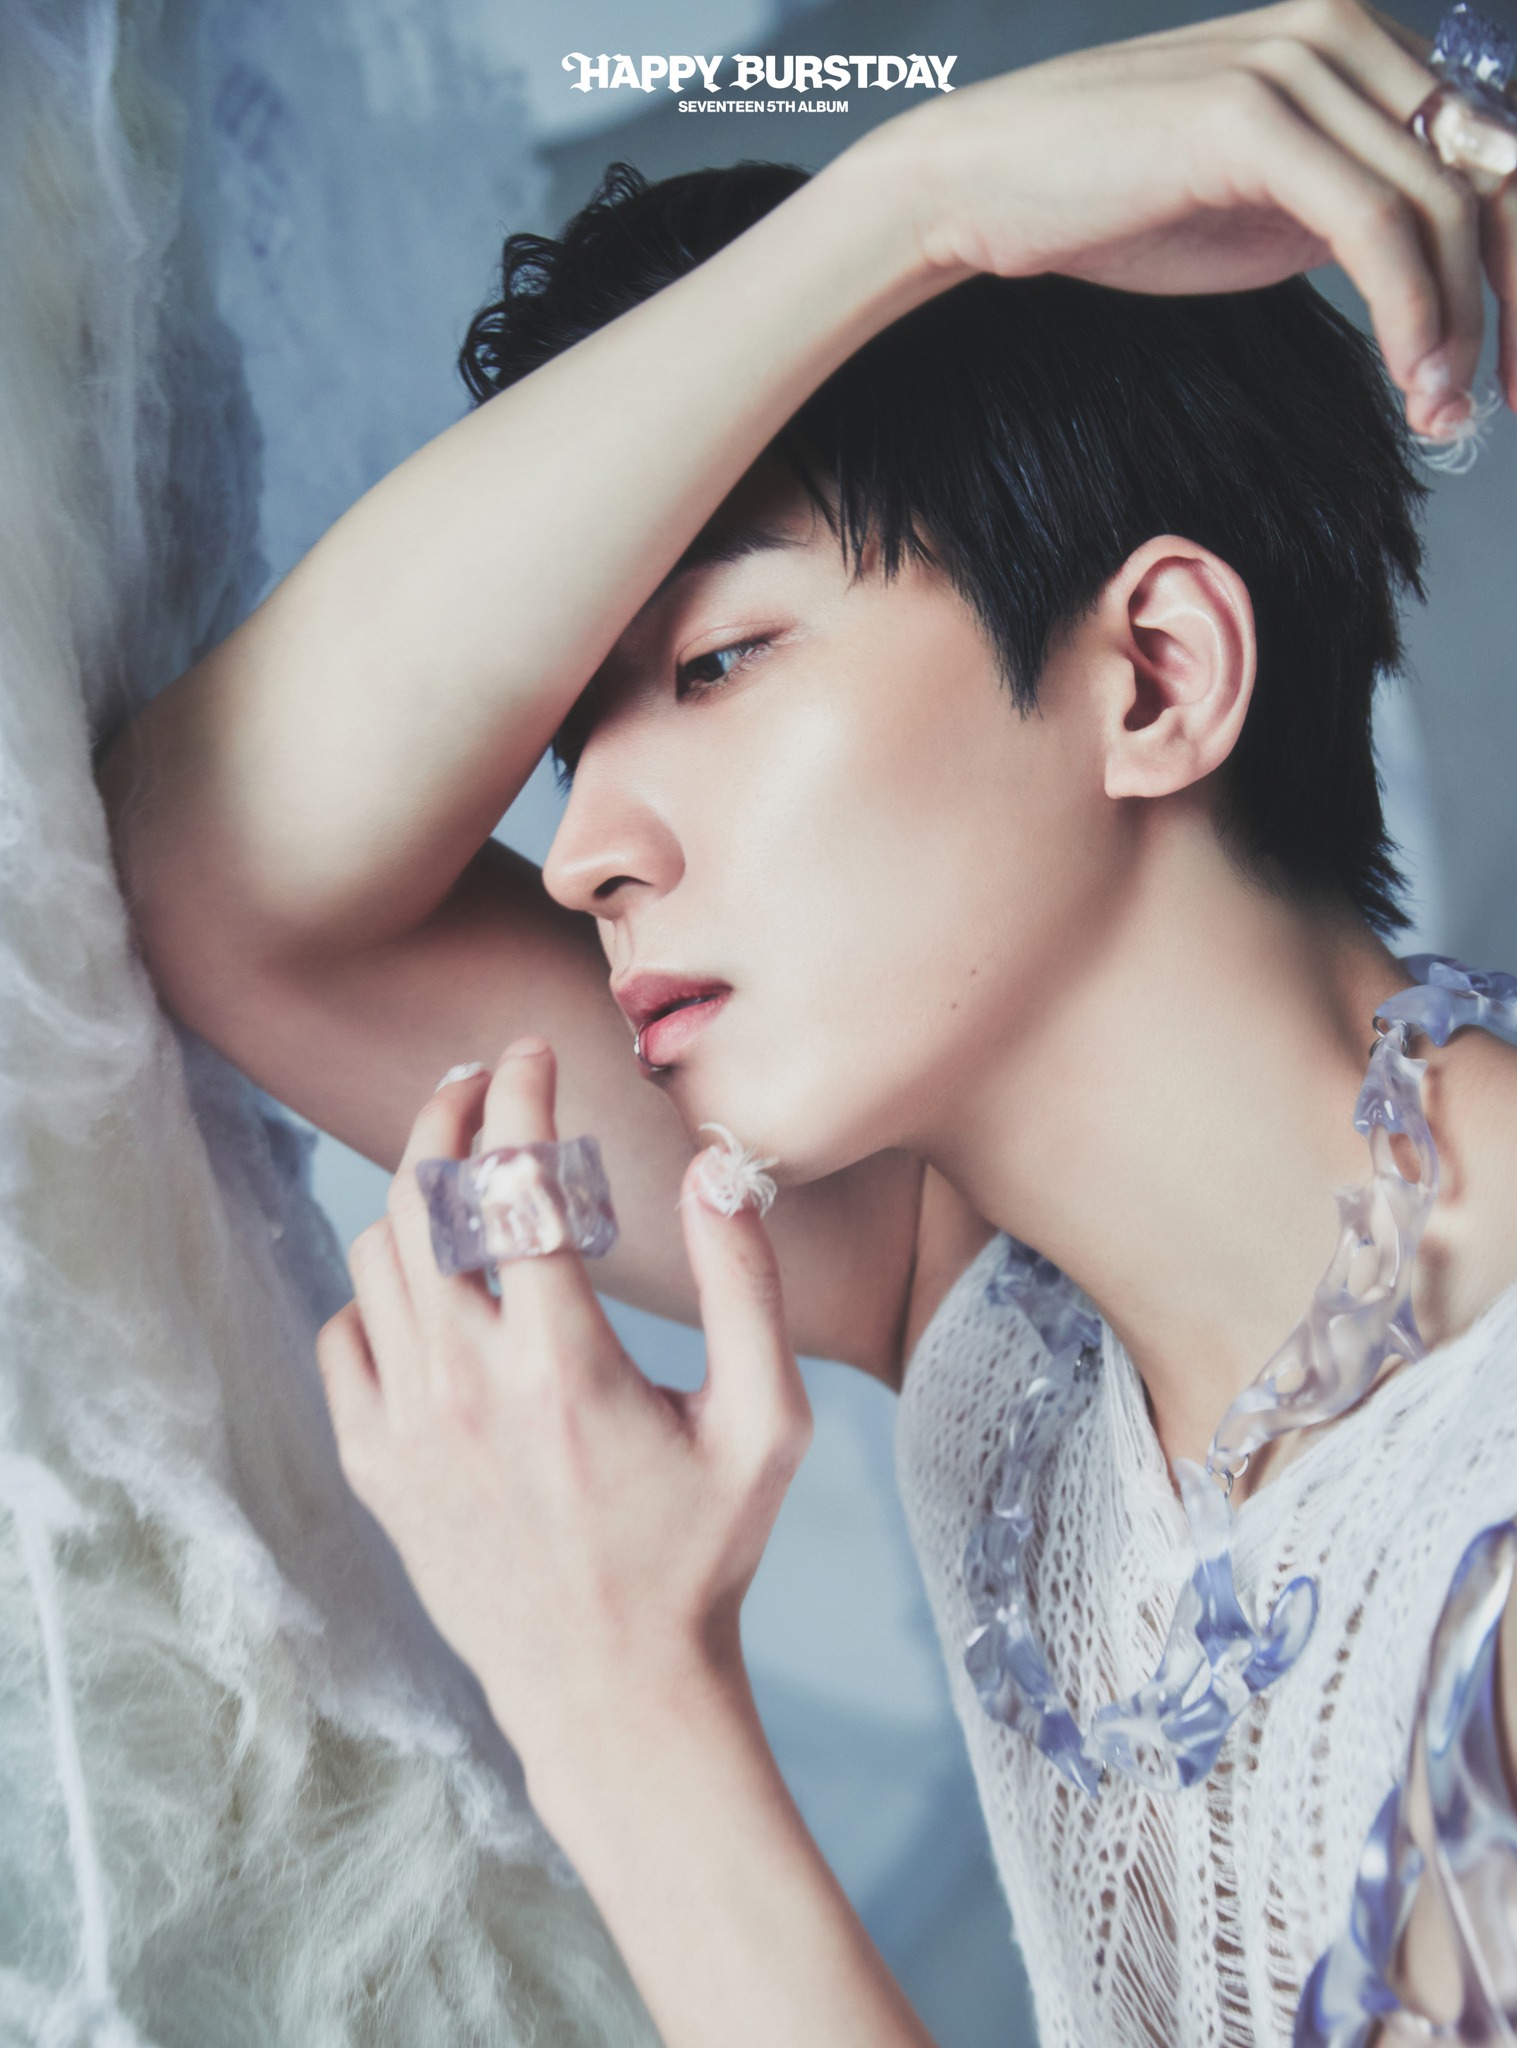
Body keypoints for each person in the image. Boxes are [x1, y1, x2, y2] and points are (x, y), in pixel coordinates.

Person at [100, 2, 1517, 2041]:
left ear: (1152, 673)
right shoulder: (998, 1316)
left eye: (719, 663)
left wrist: (616, 1692)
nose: (582, 855)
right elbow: (222, 866)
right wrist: (907, 209)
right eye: (572, 744)